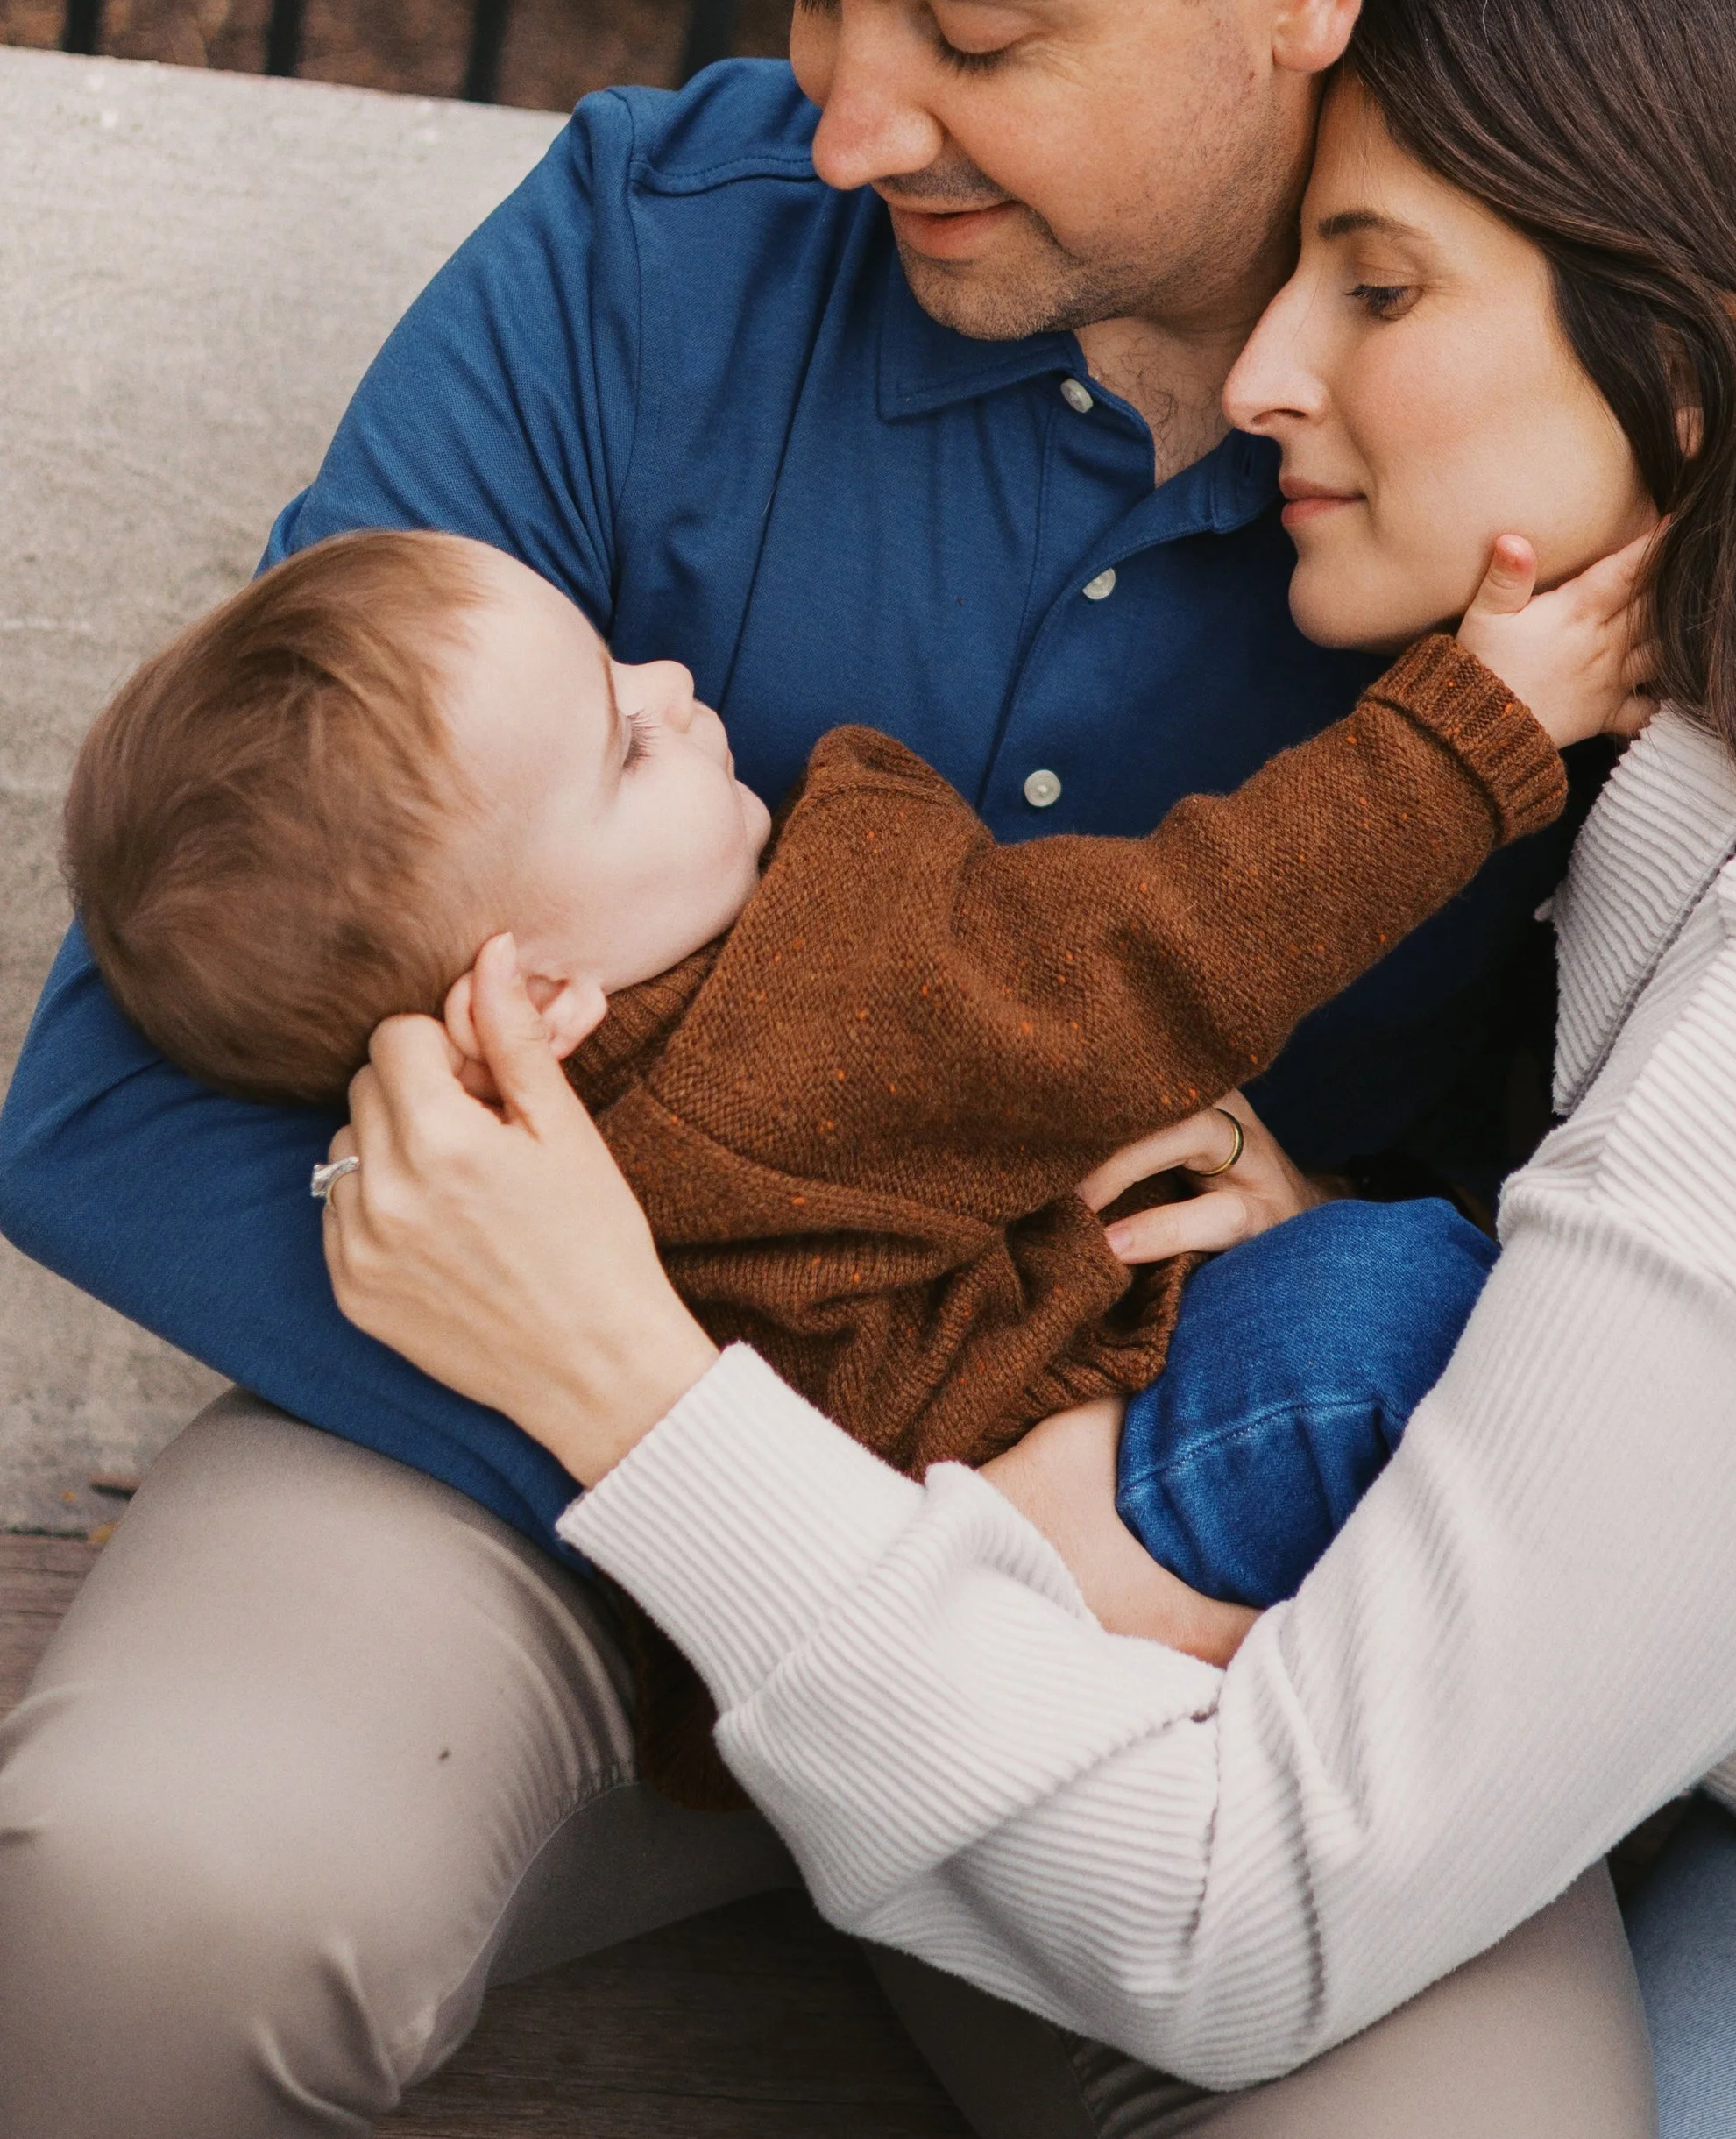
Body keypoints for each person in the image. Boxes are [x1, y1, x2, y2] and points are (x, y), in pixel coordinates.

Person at [0, 0, 1642, 2135]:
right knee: (162, 1885)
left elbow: (1712, 1194)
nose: (848, 114)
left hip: (1172, 1542)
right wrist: (717, 1454)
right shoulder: (643, 260)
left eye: (967, 20)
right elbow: (128, 1090)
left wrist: (1321, 1283)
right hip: (498, 1485)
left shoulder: (1537, 411)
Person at [313, 0, 1736, 2139]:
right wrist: (1467, 1309)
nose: (1266, 370)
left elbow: (1237, 1924)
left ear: (1687, 366)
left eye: (1376, 285)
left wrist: (627, 1384)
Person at [61, 519, 1635, 1690]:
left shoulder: (576, 1119)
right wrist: (1465, 733)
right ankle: (1724, 1686)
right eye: (622, 744)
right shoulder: (804, 1024)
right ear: (530, 997)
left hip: (936, 1558)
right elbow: (1171, 944)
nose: (673, 682)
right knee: (1418, 1301)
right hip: (1126, 1483)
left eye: (621, 661)